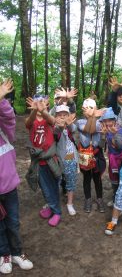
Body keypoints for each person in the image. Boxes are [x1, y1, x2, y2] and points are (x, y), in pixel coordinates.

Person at [0, 79, 33, 274]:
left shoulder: (5, 130)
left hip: (9, 187)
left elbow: (8, 116)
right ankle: (3, 253)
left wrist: (2, 98)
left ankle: (17, 252)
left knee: (12, 222)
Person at [25, 95, 62, 227]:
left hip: (50, 161)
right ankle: (51, 207)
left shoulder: (49, 120)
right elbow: (28, 123)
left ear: (47, 104)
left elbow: (52, 120)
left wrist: (43, 111)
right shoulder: (32, 121)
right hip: (37, 162)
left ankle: (56, 212)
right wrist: (35, 110)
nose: (40, 104)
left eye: (43, 102)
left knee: (52, 187)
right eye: (37, 102)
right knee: (45, 188)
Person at [76, 98, 106, 213]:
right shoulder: (80, 122)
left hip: (96, 153)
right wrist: (93, 116)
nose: (88, 111)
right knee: (87, 178)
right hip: (84, 154)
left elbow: (100, 141)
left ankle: (99, 199)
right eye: (86, 108)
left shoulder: (100, 123)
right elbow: (90, 130)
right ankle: (87, 199)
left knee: (97, 178)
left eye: (91, 108)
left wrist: (103, 136)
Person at [49, 87, 78, 197]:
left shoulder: (68, 117)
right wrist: (62, 100)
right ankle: (59, 190)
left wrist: (68, 99)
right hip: (55, 150)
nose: (60, 100)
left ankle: (66, 189)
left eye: (61, 98)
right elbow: (53, 115)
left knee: (68, 168)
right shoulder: (52, 112)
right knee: (58, 172)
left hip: (68, 152)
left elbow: (72, 109)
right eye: (57, 98)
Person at [96, 107, 122, 207]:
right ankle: (115, 198)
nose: (108, 123)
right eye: (105, 121)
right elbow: (101, 145)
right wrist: (103, 136)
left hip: (121, 160)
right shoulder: (105, 130)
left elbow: (120, 146)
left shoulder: (119, 129)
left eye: (110, 120)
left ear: (114, 120)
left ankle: (121, 202)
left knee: (121, 180)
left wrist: (114, 134)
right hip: (112, 159)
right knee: (114, 180)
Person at [54, 105, 78, 216]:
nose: (62, 117)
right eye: (60, 115)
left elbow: (73, 129)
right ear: (55, 116)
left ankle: (70, 203)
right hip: (58, 159)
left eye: (65, 115)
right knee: (56, 180)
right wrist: (59, 126)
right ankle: (53, 201)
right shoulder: (54, 128)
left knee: (70, 180)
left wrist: (67, 124)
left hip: (71, 158)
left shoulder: (70, 126)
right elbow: (54, 134)